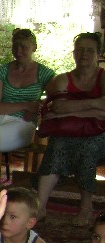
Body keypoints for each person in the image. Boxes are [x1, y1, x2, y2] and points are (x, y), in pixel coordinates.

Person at [0, 28, 55, 193]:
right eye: (15, 46)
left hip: (23, 123)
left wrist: (39, 106)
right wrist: (26, 105)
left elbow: (55, 100)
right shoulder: (2, 72)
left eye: (24, 47)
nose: (18, 51)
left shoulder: (44, 73)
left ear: (34, 47)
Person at [37, 32, 105, 226]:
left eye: (90, 50)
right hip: (69, 133)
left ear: (98, 54)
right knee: (56, 144)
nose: (84, 54)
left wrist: (71, 111)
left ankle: (86, 206)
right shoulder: (62, 79)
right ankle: (40, 206)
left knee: (88, 147)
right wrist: (95, 105)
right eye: (80, 50)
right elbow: (58, 108)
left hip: (101, 134)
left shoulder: (103, 77)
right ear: (74, 53)